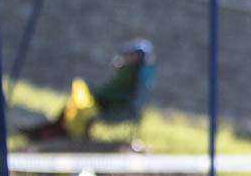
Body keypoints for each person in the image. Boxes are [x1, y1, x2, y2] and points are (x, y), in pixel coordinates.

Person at [27, 39, 155, 141]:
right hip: (114, 103)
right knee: (77, 104)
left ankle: (58, 132)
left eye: (130, 55)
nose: (127, 57)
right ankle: (56, 130)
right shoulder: (135, 71)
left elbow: (113, 90)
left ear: (137, 57)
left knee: (79, 104)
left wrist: (92, 92)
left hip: (114, 105)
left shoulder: (131, 71)